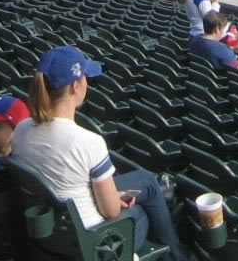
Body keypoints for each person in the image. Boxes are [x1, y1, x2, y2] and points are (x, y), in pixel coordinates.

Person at [14, 47, 188, 261]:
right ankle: (178, 257)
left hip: (51, 230)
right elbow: (112, 212)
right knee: (142, 210)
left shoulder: (21, 129)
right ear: (75, 86)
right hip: (94, 241)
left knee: (146, 181)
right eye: (85, 77)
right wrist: (113, 199)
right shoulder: (88, 142)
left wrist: (111, 195)